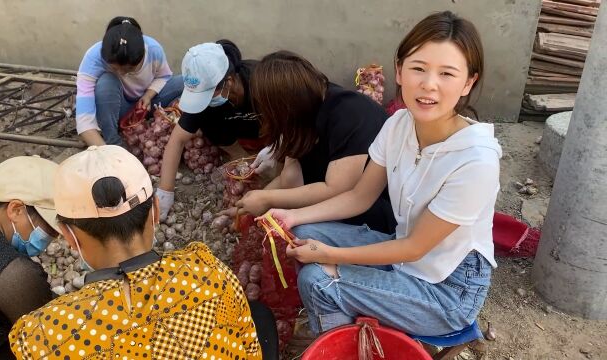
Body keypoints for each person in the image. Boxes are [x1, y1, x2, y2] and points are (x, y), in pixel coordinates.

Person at [267, 11, 501, 337]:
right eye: (418, 68)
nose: (429, 85)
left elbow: (416, 247)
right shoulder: (397, 126)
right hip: (403, 254)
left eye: (447, 74)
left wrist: (331, 256)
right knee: (304, 230)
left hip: (448, 291)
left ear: (468, 83)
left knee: (317, 278)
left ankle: (341, 342)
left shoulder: (476, 160)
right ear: (399, 71)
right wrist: (292, 215)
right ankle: (344, 314)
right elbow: (358, 196)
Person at [9, 145, 266, 359]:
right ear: (155, 210)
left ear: (69, 236)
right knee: (261, 317)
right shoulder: (210, 274)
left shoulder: (41, 335)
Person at [237, 51, 396, 234]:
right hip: (343, 190)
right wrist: (248, 205)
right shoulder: (308, 108)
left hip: (380, 205)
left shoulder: (350, 114)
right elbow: (286, 177)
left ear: (284, 105)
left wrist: (268, 199)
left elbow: (336, 190)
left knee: (299, 230)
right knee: (290, 174)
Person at [158, 40, 268, 220]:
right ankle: (243, 157)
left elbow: (290, 126)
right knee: (207, 118)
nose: (204, 101)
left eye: (208, 94)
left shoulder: (261, 83)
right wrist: (165, 192)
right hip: (239, 140)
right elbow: (176, 140)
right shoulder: (206, 104)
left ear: (229, 82)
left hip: (271, 135)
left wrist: (275, 152)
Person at [0, 156, 60, 359]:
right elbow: (51, 341)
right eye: (50, 228)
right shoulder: (14, 274)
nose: (54, 237)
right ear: (16, 210)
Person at [75, 16, 183, 146]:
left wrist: (148, 95)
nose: (121, 73)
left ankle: (162, 123)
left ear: (142, 54)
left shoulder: (154, 49)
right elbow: (84, 119)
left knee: (183, 82)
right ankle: (113, 140)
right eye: (115, 68)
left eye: (130, 69)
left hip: (146, 104)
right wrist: (105, 152)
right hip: (119, 108)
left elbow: (164, 76)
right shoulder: (93, 58)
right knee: (106, 82)